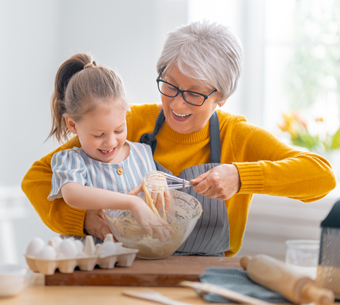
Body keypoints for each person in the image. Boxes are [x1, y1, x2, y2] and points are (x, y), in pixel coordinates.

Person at [22, 20, 336, 257]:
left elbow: (321, 176)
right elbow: (36, 179)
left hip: (207, 277)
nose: (177, 104)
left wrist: (241, 176)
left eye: (194, 94)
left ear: (222, 97)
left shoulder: (237, 137)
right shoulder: (130, 123)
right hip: (127, 266)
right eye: (169, 86)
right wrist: (85, 220)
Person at [44, 53, 172, 242]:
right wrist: (132, 203)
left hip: (137, 263)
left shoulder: (143, 153)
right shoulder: (70, 160)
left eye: (119, 130)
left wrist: (158, 180)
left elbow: (162, 202)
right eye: (99, 135)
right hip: (88, 265)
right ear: (72, 125)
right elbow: (73, 195)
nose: (111, 142)